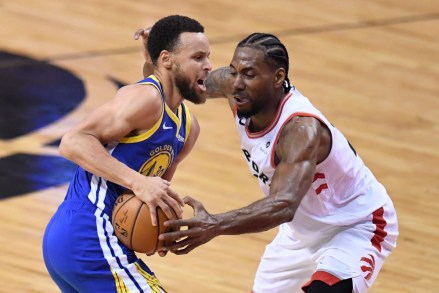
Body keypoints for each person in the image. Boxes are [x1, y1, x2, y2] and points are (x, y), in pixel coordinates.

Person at [155, 33, 399, 293]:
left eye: (249, 75)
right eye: (235, 71)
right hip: (301, 233)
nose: (236, 83)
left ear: (278, 78)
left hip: (356, 224)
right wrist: (158, 55)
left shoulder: (301, 130)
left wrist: (215, 224)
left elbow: (284, 205)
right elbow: (180, 81)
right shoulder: (237, 89)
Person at [42, 15, 211, 293]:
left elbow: (156, 193)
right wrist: (138, 181)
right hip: (89, 233)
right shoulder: (145, 99)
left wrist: (162, 231)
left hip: (88, 241)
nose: (208, 66)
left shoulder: (188, 127)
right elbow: (72, 141)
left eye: (208, 57)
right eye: (198, 57)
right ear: (168, 59)